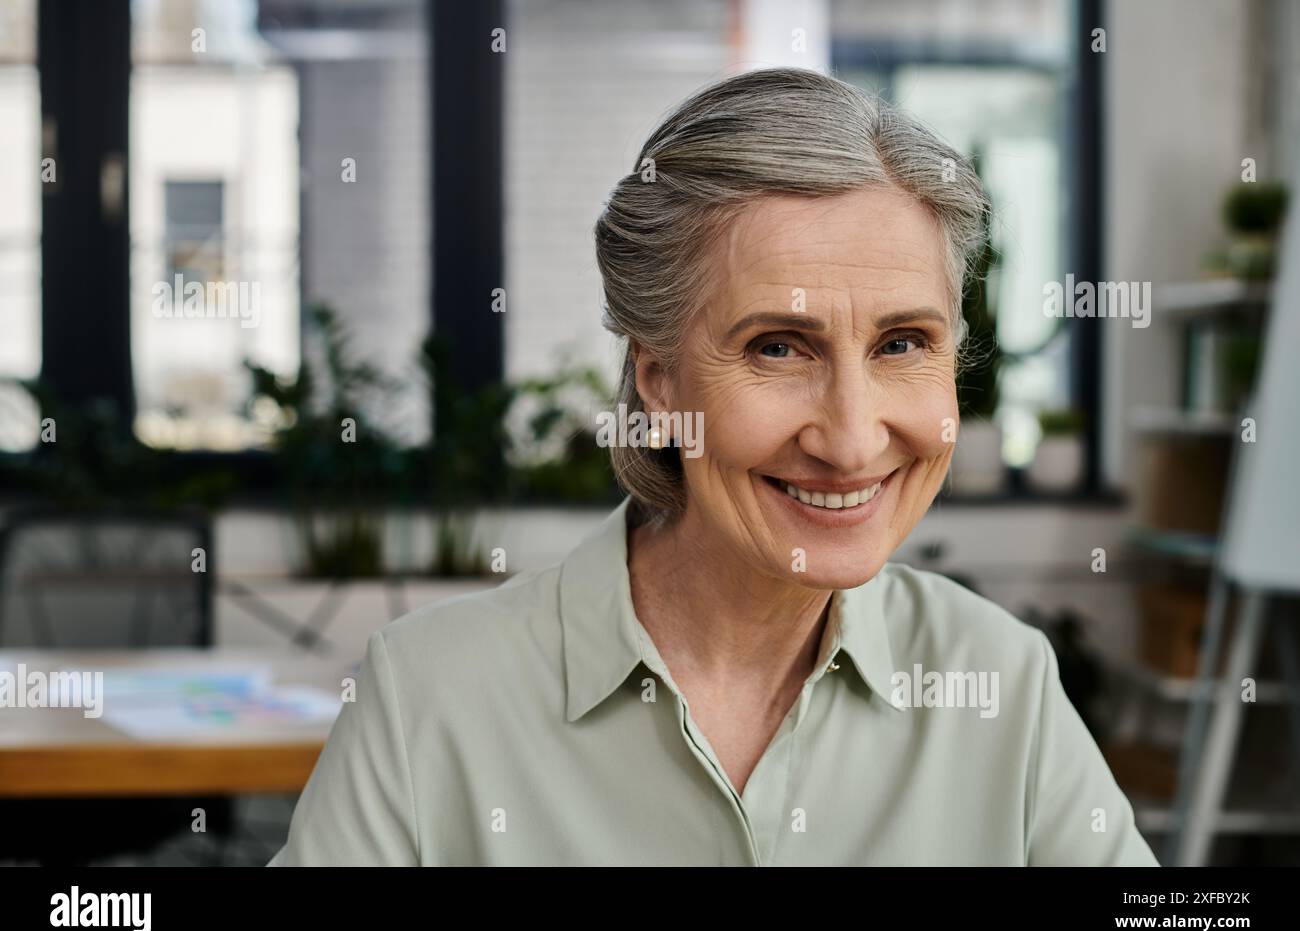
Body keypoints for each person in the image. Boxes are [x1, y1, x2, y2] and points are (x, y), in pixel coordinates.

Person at [269, 67, 1158, 866]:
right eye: (778, 348)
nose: (851, 441)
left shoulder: (1002, 680)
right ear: (659, 381)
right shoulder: (429, 695)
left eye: (901, 343)